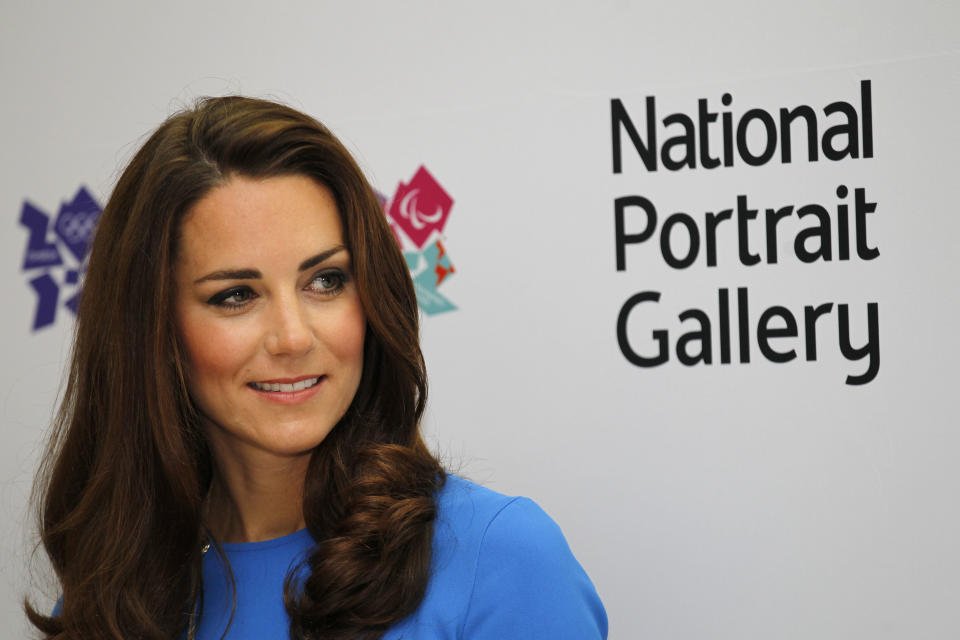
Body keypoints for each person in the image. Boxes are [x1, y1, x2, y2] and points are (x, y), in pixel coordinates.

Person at [25, 96, 607, 639]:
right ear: (156, 332)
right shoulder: (115, 602)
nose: (294, 337)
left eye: (325, 281)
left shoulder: (499, 558)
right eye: (235, 295)